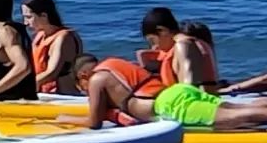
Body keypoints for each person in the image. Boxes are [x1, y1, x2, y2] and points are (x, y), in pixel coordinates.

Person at [77, 53, 267, 131]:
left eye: (82, 88)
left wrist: (67, 120)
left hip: (169, 105)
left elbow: (94, 123)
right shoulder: (114, 65)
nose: (87, 93)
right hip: (176, 93)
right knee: (239, 107)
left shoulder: (96, 79)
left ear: (84, 75)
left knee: (242, 116)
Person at [140, 7, 219, 91]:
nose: (154, 46)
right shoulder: (183, 45)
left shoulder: (183, 45)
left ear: (163, 30)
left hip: (197, 100)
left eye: (152, 40)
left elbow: (190, 88)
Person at [21, 0, 83, 95]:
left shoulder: (63, 38)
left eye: (29, 17)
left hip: (62, 96)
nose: (25, 23)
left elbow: (52, 72)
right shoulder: (40, 35)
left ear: (44, 16)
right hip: (43, 94)